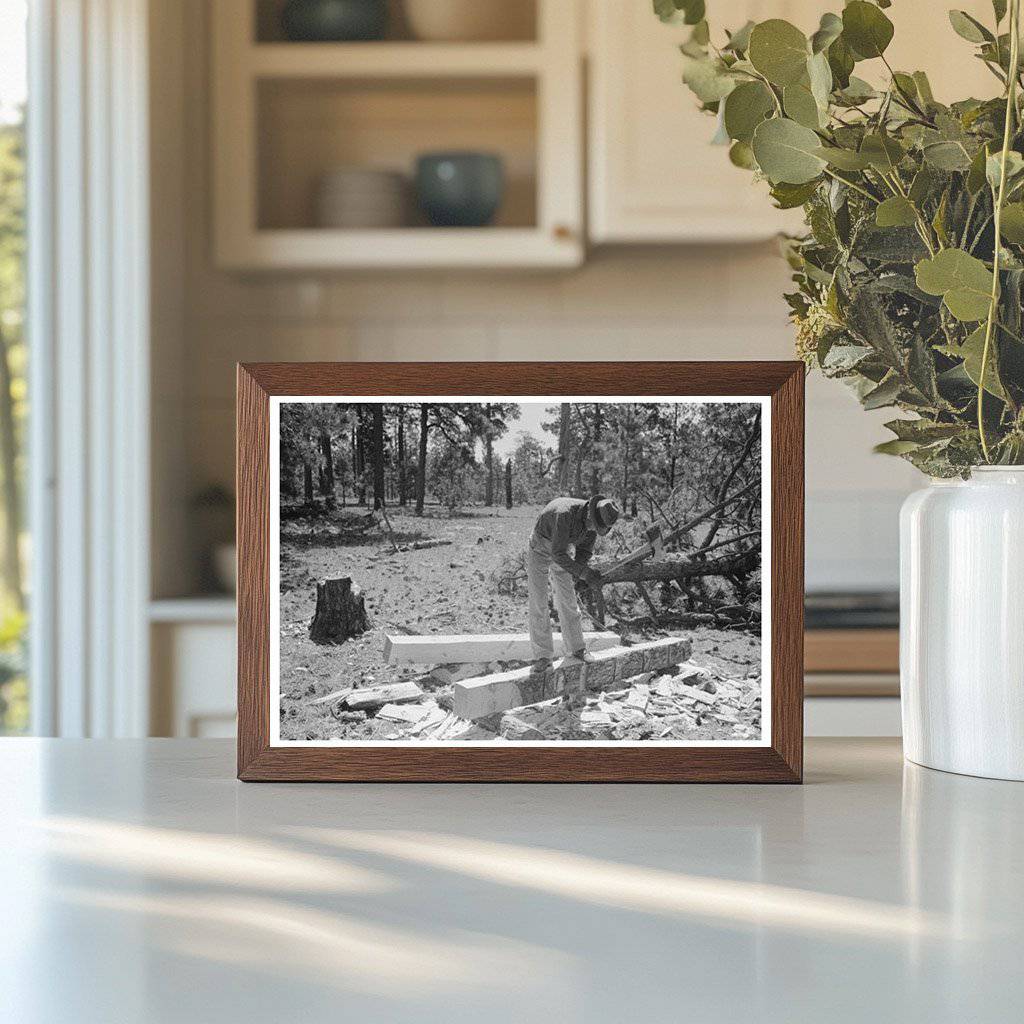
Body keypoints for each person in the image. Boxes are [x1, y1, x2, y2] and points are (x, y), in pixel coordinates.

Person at [527, 493, 621, 672]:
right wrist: (584, 573)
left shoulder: (594, 524)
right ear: (589, 514)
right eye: (595, 526)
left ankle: (577, 649)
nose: (595, 530)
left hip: (561, 549)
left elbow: (584, 552)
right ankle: (543, 657)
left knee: (568, 599)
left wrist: (580, 576)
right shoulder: (564, 514)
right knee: (538, 601)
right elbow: (558, 554)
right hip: (540, 546)